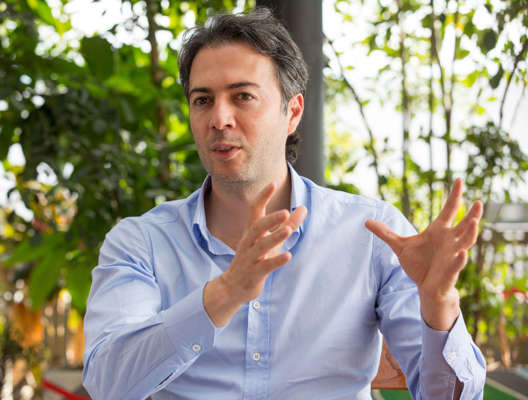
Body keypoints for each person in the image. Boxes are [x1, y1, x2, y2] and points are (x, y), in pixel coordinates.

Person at [82, 8, 486, 400]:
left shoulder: (371, 234)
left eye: (242, 96)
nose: (219, 118)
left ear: (292, 112)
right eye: (203, 100)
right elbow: (107, 384)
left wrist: (439, 305)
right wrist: (224, 293)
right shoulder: (142, 242)